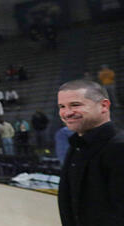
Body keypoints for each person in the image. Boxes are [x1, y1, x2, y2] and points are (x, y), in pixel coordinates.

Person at [57, 79, 124, 225]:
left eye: (75, 105)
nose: (67, 113)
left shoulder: (119, 147)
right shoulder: (76, 146)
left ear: (104, 106)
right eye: (62, 106)